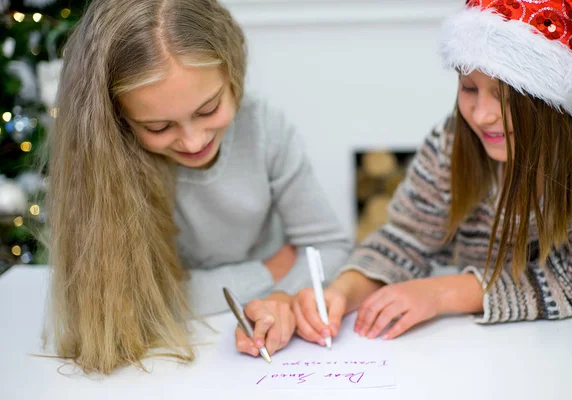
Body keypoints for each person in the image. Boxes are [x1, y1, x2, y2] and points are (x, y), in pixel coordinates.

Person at [45, 0, 351, 373]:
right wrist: (267, 272)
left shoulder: (264, 127)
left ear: (233, 72)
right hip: (176, 350)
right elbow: (123, 302)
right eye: (158, 127)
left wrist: (282, 296)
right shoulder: (104, 165)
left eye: (207, 110)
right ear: (119, 119)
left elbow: (330, 246)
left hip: (271, 325)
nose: (192, 142)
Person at [293, 0, 572, 346]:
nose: (482, 115)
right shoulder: (451, 143)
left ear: (556, 100)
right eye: (468, 88)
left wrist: (441, 293)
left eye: (506, 96)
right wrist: (343, 291)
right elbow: (405, 239)